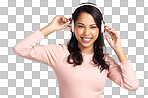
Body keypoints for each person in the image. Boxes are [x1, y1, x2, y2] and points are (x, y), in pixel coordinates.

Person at [13, 2, 139, 98]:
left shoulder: (104, 60)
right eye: (80, 26)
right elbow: (21, 49)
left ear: (100, 29)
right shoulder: (59, 53)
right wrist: (51, 28)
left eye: (93, 27)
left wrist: (118, 49)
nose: (86, 33)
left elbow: (132, 85)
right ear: (72, 27)